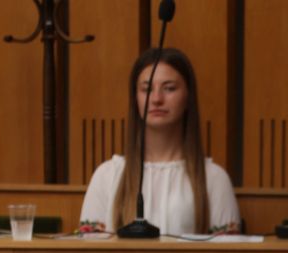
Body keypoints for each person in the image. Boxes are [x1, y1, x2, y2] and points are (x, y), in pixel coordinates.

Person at [80, 48, 240, 236]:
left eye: (169, 88)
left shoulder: (213, 178)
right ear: (135, 98)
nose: (156, 99)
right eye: (147, 89)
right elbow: (88, 251)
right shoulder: (107, 176)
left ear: (188, 96)